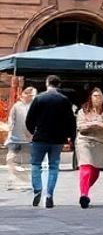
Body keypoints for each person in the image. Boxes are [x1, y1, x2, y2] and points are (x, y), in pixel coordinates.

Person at [25, 74, 75, 209]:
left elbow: (29, 119)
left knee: (36, 164)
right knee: (53, 166)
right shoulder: (64, 100)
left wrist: (33, 132)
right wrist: (70, 136)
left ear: (47, 84)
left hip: (40, 137)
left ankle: (37, 189)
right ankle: (49, 195)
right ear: (59, 85)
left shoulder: (39, 98)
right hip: (57, 139)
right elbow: (70, 120)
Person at [5, 86, 35, 191]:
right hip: (14, 137)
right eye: (30, 95)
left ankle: (22, 182)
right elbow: (11, 119)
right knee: (11, 159)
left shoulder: (33, 106)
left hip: (27, 139)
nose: (31, 97)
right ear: (24, 95)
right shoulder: (17, 106)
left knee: (25, 162)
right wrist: (10, 129)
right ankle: (13, 178)